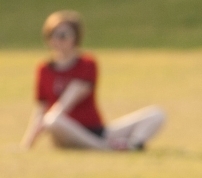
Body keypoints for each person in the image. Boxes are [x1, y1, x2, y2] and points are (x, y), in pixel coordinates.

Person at [20, 11, 166, 152]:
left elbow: (71, 97)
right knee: (52, 119)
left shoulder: (87, 64)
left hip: (95, 131)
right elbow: (41, 110)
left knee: (156, 114)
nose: (57, 39)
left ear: (75, 38)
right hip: (64, 132)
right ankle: (107, 149)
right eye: (52, 34)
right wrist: (27, 144)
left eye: (63, 35)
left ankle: (133, 145)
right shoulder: (44, 69)